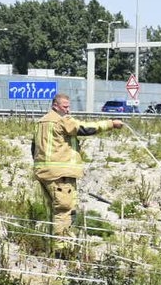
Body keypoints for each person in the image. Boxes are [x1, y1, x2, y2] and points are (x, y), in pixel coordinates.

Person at [32, 93, 123, 242]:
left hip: (43, 172)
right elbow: (84, 128)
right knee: (64, 211)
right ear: (55, 105)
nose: (68, 110)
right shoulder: (62, 120)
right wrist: (111, 124)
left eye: (68, 106)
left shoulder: (41, 122)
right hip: (60, 174)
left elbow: (34, 147)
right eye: (64, 106)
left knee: (52, 210)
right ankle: (62, 250)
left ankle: (51, 244)